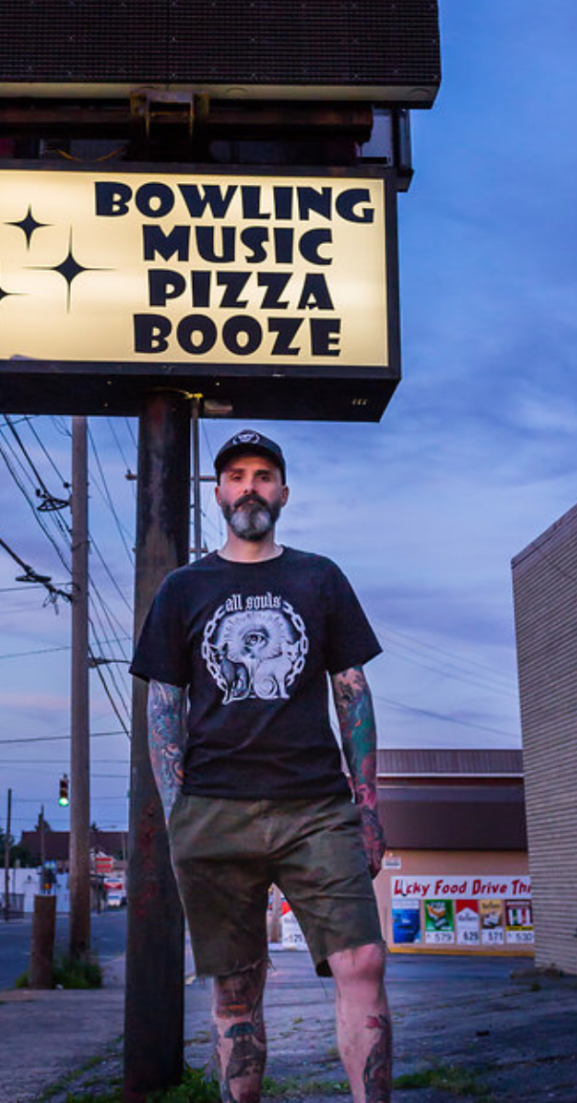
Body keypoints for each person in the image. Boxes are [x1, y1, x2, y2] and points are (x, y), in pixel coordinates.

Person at [130, 429, 390, 1103]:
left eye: (265, 475)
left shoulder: (319, 577)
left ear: (283, 491)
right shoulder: (184, 588)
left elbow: (352, 692)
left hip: (317, 807)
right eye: (238, 475)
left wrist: (366, 803)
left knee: (362, 959)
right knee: (237, 989)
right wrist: (177, 809)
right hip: (215, 809)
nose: (251, 486)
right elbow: (164, 702)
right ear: (218, 492)